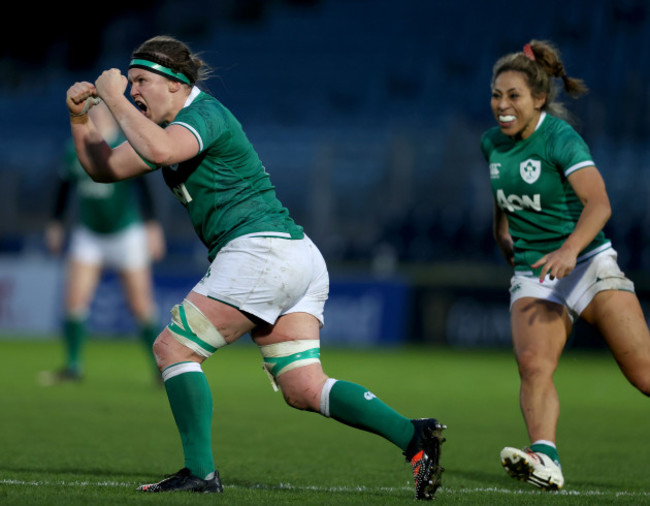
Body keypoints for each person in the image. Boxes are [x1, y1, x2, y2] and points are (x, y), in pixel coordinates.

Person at [65, 35, 446, 500]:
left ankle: (200, 474)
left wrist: (112, 97)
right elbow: (104, 169)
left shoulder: (202, 115)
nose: (134, 89)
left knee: (173, 350)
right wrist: (80, 117)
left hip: (259, 251)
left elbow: (162, 152)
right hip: (294, 254)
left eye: (141, 80)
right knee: (304, 388)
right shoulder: (167, 127)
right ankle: (414, 436)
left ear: (178, 83)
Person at [481, 39, 650, 491]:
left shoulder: (560, 138)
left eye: (513, 95)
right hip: (535, 274)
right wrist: (501, 227)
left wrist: (571, 250)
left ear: (538, 98)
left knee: (644, 374)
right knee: (534, 365)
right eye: (497, 94)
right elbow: (503, 186)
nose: (502, 104)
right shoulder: (491, 143)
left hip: (588, 264)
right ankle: (546, 459)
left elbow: (599, 204)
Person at [40, 101, 166, 385]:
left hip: (126, 233)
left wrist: (152, 227)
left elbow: (144, 187)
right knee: (73, 301)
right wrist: (56, 224)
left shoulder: (125, 144)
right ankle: (73, 367)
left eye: (98, 112)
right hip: (90, 234)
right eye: (90, 113)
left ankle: (161, 369)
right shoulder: (75, 147)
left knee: (141, 306)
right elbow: (64, 187)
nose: (94, 116)